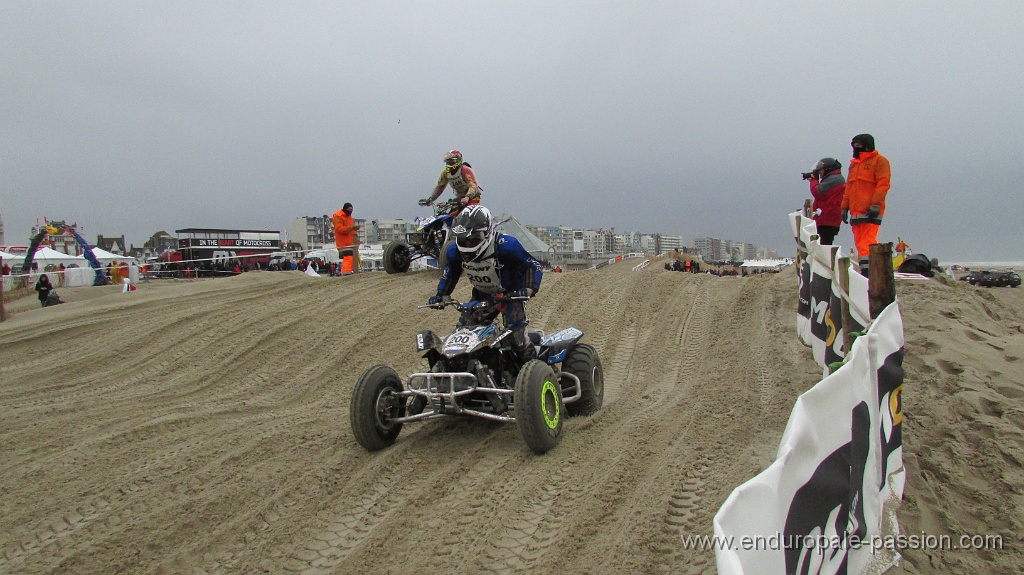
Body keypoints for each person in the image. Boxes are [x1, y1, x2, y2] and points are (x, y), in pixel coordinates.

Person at [428, 205, 543, 364]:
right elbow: (451, 271)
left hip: (511, 296)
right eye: (463, 238)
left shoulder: (506, 245)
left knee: (518, 340)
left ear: (487, 233)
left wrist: (528, 289)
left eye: (473, 238)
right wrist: (440, 295)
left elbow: (532, 265)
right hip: (482, 297)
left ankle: (539, 372)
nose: (468, 243)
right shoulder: (454, 251)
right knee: (462, 338)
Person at [841, 134, 891, 274]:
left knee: (868, 241)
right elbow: (849, 188)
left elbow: (883, 184)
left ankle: (870, 271)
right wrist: (844, 207)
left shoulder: (880, 161)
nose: (856, 148)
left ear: (867, 145)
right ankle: (866, 270)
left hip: (870, 210)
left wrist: (875, 205)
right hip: (856, 212)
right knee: (860, 243)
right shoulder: (854, 165)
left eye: (858, 145)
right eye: (854, 145)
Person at [419, 150, 482, 214]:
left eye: (451, 162)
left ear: (458, 161)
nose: (449, 164)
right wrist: (430, 199)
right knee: (452, 215)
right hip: (459, 198)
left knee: (469, 214)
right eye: (447, 162)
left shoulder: (465, 170)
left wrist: (467, 197)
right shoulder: (445, 173)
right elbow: (439, 187)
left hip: (473, 197)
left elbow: (473, 185)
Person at [806, 157, 845, 246]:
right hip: (828, 219)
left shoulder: (834, 179)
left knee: (824, 246)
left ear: (828, 169)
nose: (820, 173)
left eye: (821, 170)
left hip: (827, 219)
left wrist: (814, 180)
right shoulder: (835, 179)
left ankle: (826, 259)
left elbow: (817, 192)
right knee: (824, 244)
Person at [332, 202, 361, 275]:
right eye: (349, 209)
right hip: (343, 243)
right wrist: (350, 228)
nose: (350, 211)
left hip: (351, 243)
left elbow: (353, 232)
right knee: (348, 257)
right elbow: (339, 229)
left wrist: (357, 241)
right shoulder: (338, 217)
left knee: (352, 258)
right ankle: (346, 272)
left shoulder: (350, 219)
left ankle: (347, 271)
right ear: (345, 209)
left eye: (351, 209)